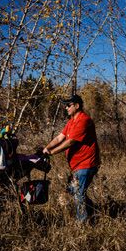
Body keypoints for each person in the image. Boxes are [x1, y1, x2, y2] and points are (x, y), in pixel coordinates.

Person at [43, 94, 100, 222]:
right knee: (75, 191)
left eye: (69, 105)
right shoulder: (71, 122)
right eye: (66, 106)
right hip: (77, 165)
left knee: (78, 193)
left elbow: (70, 142)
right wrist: (46, 149)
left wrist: (51, 152)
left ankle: (83, 223)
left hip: (86, 163)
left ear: (77, 106)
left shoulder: (83, 120)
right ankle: (93, 212)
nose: (66, 108)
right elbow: (59, 138)